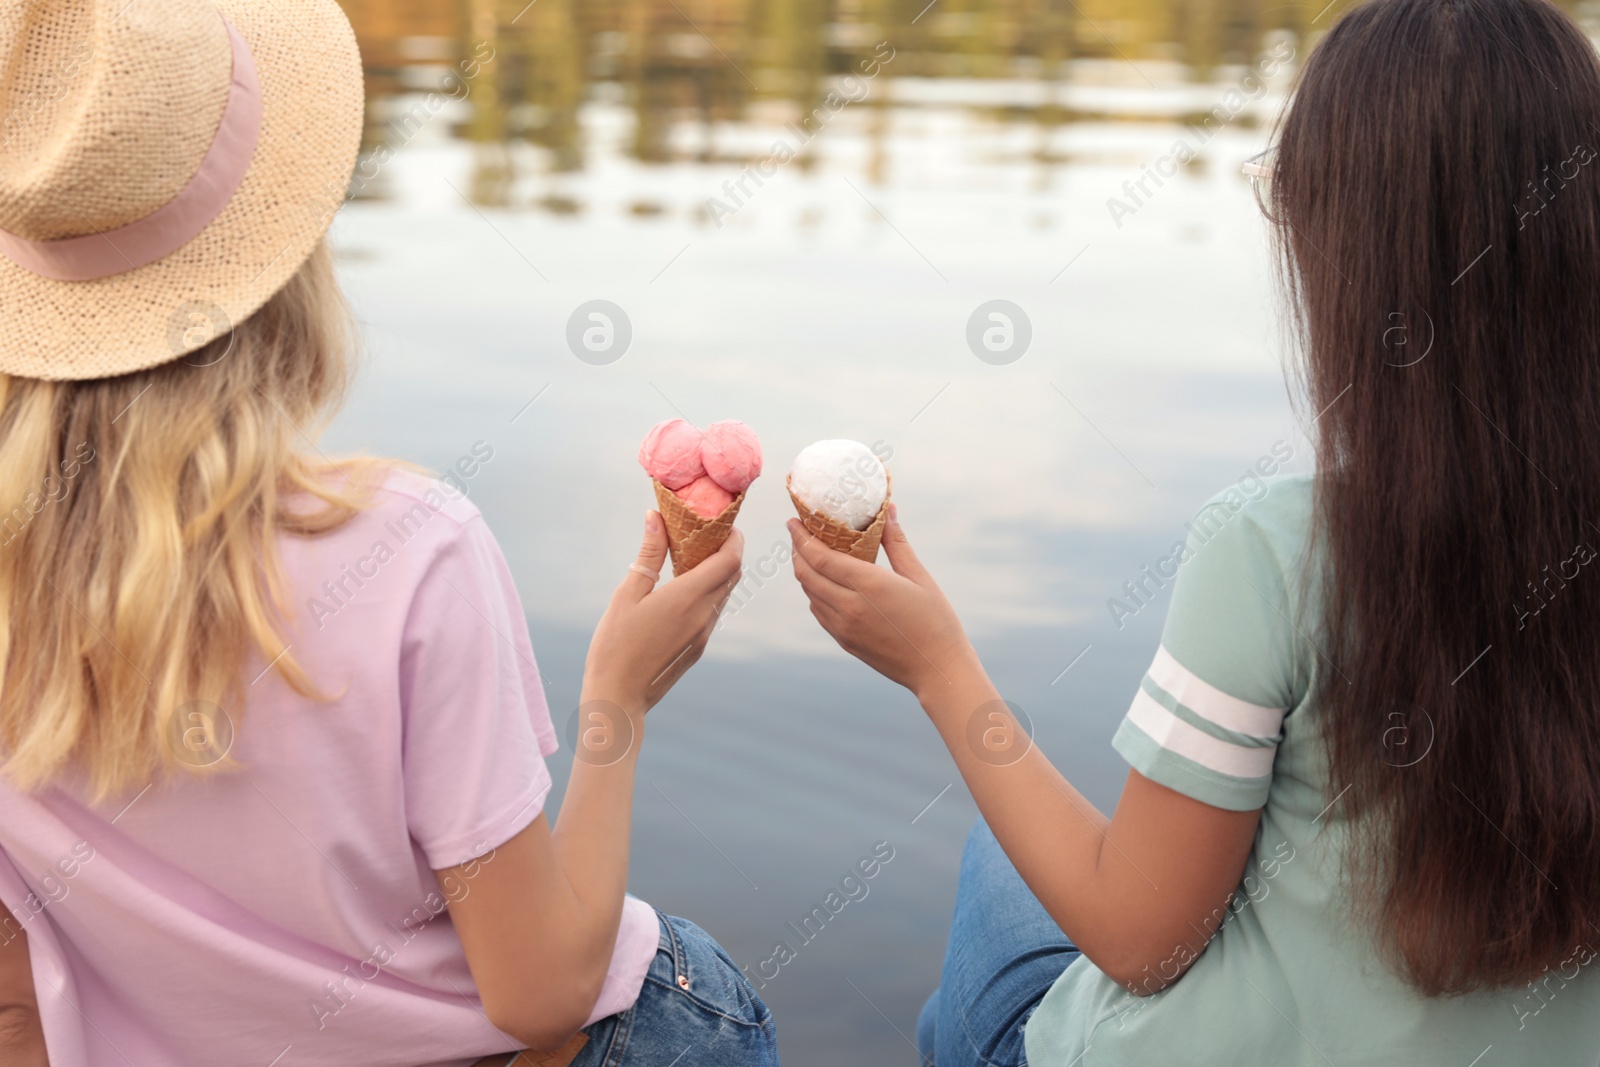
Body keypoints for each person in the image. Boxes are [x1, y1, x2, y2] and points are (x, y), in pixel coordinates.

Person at [787, 0, 1600, 1062]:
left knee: (992, 890)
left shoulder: (1271, 552)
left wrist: (939, 665)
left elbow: (1140, 941)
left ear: (1341, 251)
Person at [0, 1, 777, 1064]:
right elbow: (540, 994)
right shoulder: (408, 547)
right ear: (286, 257)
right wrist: (617, 702)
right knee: (692, 984)